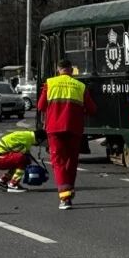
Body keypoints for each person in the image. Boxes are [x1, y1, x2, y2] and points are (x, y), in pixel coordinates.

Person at [37, 58, 97, 210]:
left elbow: (40, 105)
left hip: (54, 129)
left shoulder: (50, 83)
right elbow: (92, 109)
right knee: (71, 161)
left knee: (58, 161)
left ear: (58, 70)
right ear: (71, 70)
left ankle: (64, 197)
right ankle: (68, 191)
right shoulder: (80, 86)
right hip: (74, 128)